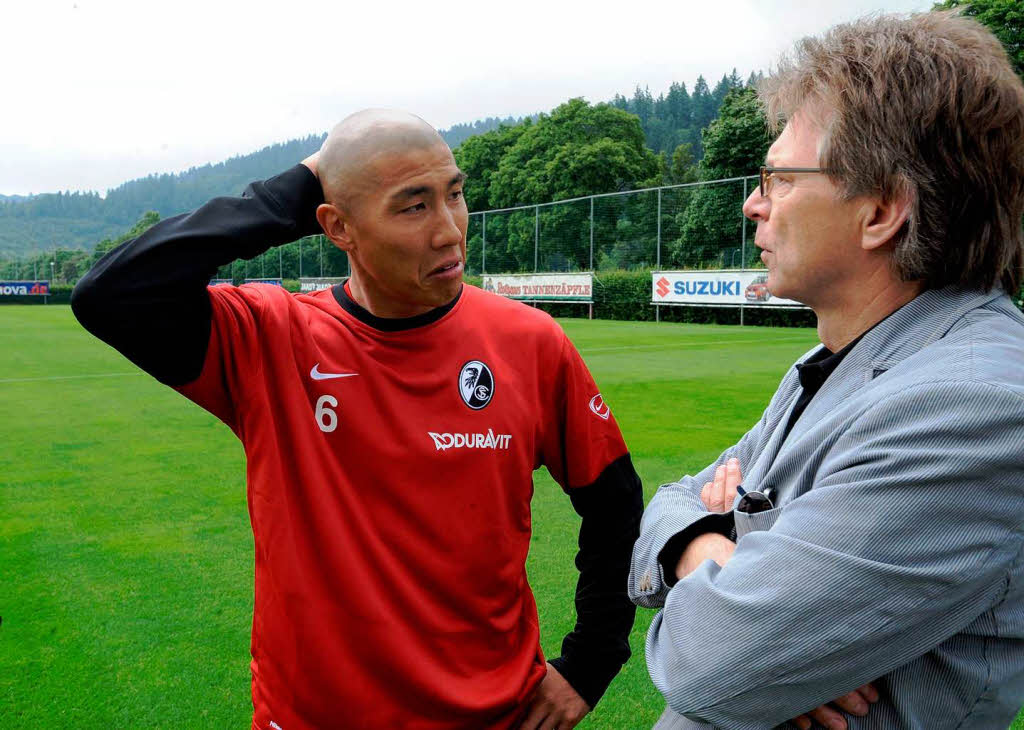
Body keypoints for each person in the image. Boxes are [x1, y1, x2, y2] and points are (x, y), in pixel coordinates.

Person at [71, 109, 643, 730]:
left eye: (455, 193)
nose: (450, 230)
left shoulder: (528, 342)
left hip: (494, 714)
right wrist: (300, 185)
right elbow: (111, 295)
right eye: (413, 206)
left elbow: (614, 503)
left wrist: (590, 661)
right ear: (337, 226)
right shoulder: (268, 338)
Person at [629, 11, 1024, 730]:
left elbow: (713, 661)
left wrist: (751, 629)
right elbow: (672, 501)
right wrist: (703, 544)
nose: (754, 203)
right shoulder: (831, 360)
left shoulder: (974, 405)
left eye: (778, 178)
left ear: (881, 211)